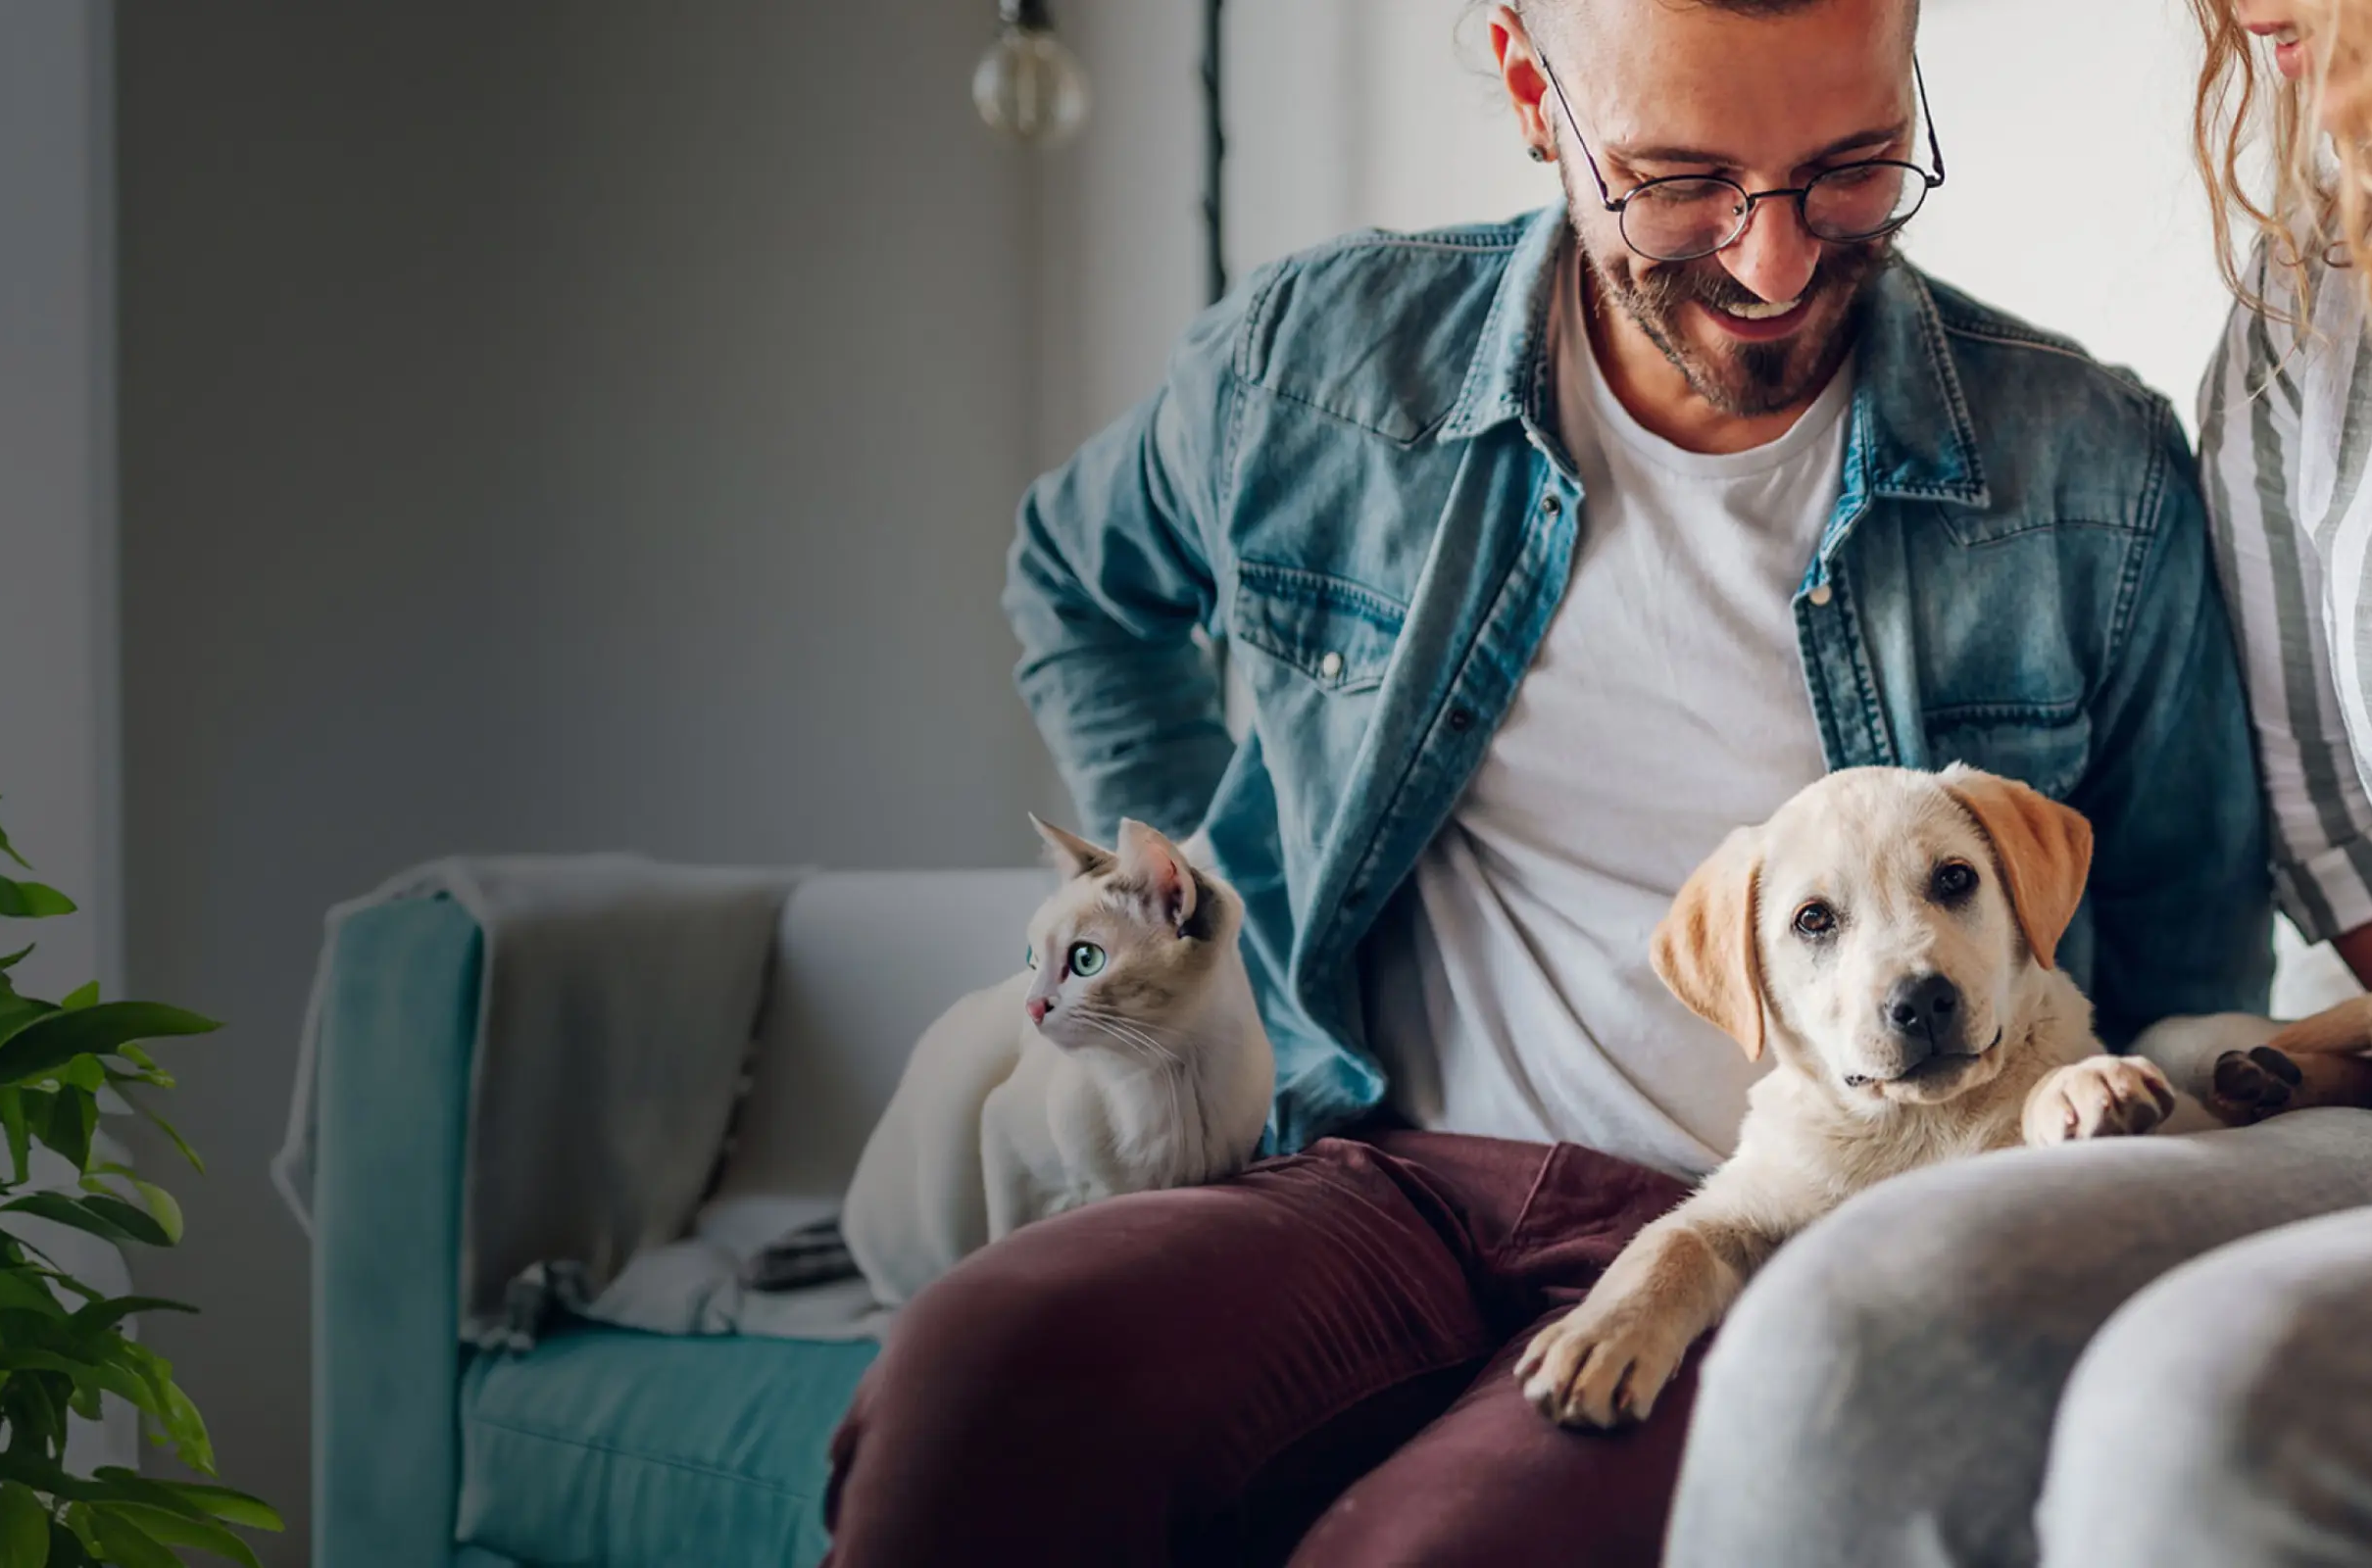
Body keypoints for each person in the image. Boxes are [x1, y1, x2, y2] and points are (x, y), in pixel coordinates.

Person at [820, 0, 2280, 1562]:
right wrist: (1206, 910)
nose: (1772, 263)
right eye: (1679, 180)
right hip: (1374, 1174)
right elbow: (1078, 580)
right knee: (969, 1387)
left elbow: (2183, 963)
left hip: (1779, 1229)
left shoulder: (2089, 475)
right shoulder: (1318, 370)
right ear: (1535, 89)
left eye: (1852, 167)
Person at [1662, 1, 2372, 1562]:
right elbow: (2341, 834)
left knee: (2200, 1406)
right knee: (1848, 1328)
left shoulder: (2088, 457)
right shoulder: (2306, 309)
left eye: (1849, 166)